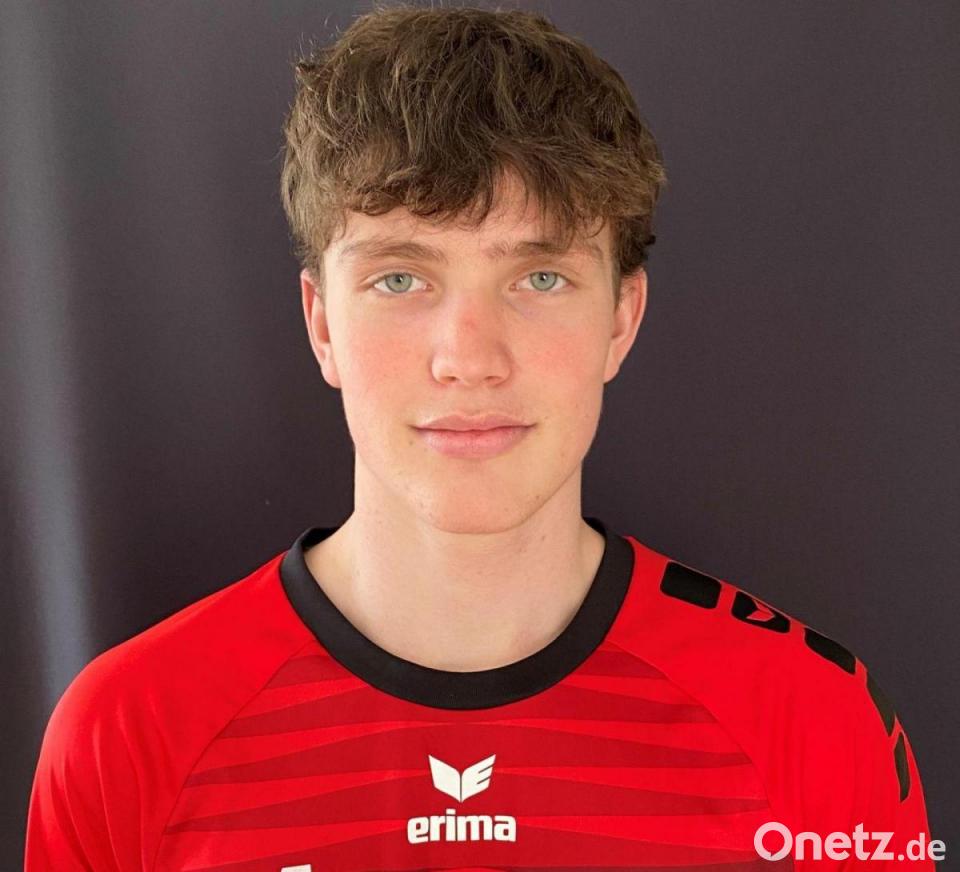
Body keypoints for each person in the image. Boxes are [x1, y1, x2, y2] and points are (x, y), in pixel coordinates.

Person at [26, 4, 936, 870]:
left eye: (540, 278)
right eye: (399, 279)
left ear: (621, 319)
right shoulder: (127, 733)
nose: (469, 359)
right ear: (322, 324)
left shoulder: (816, 725)